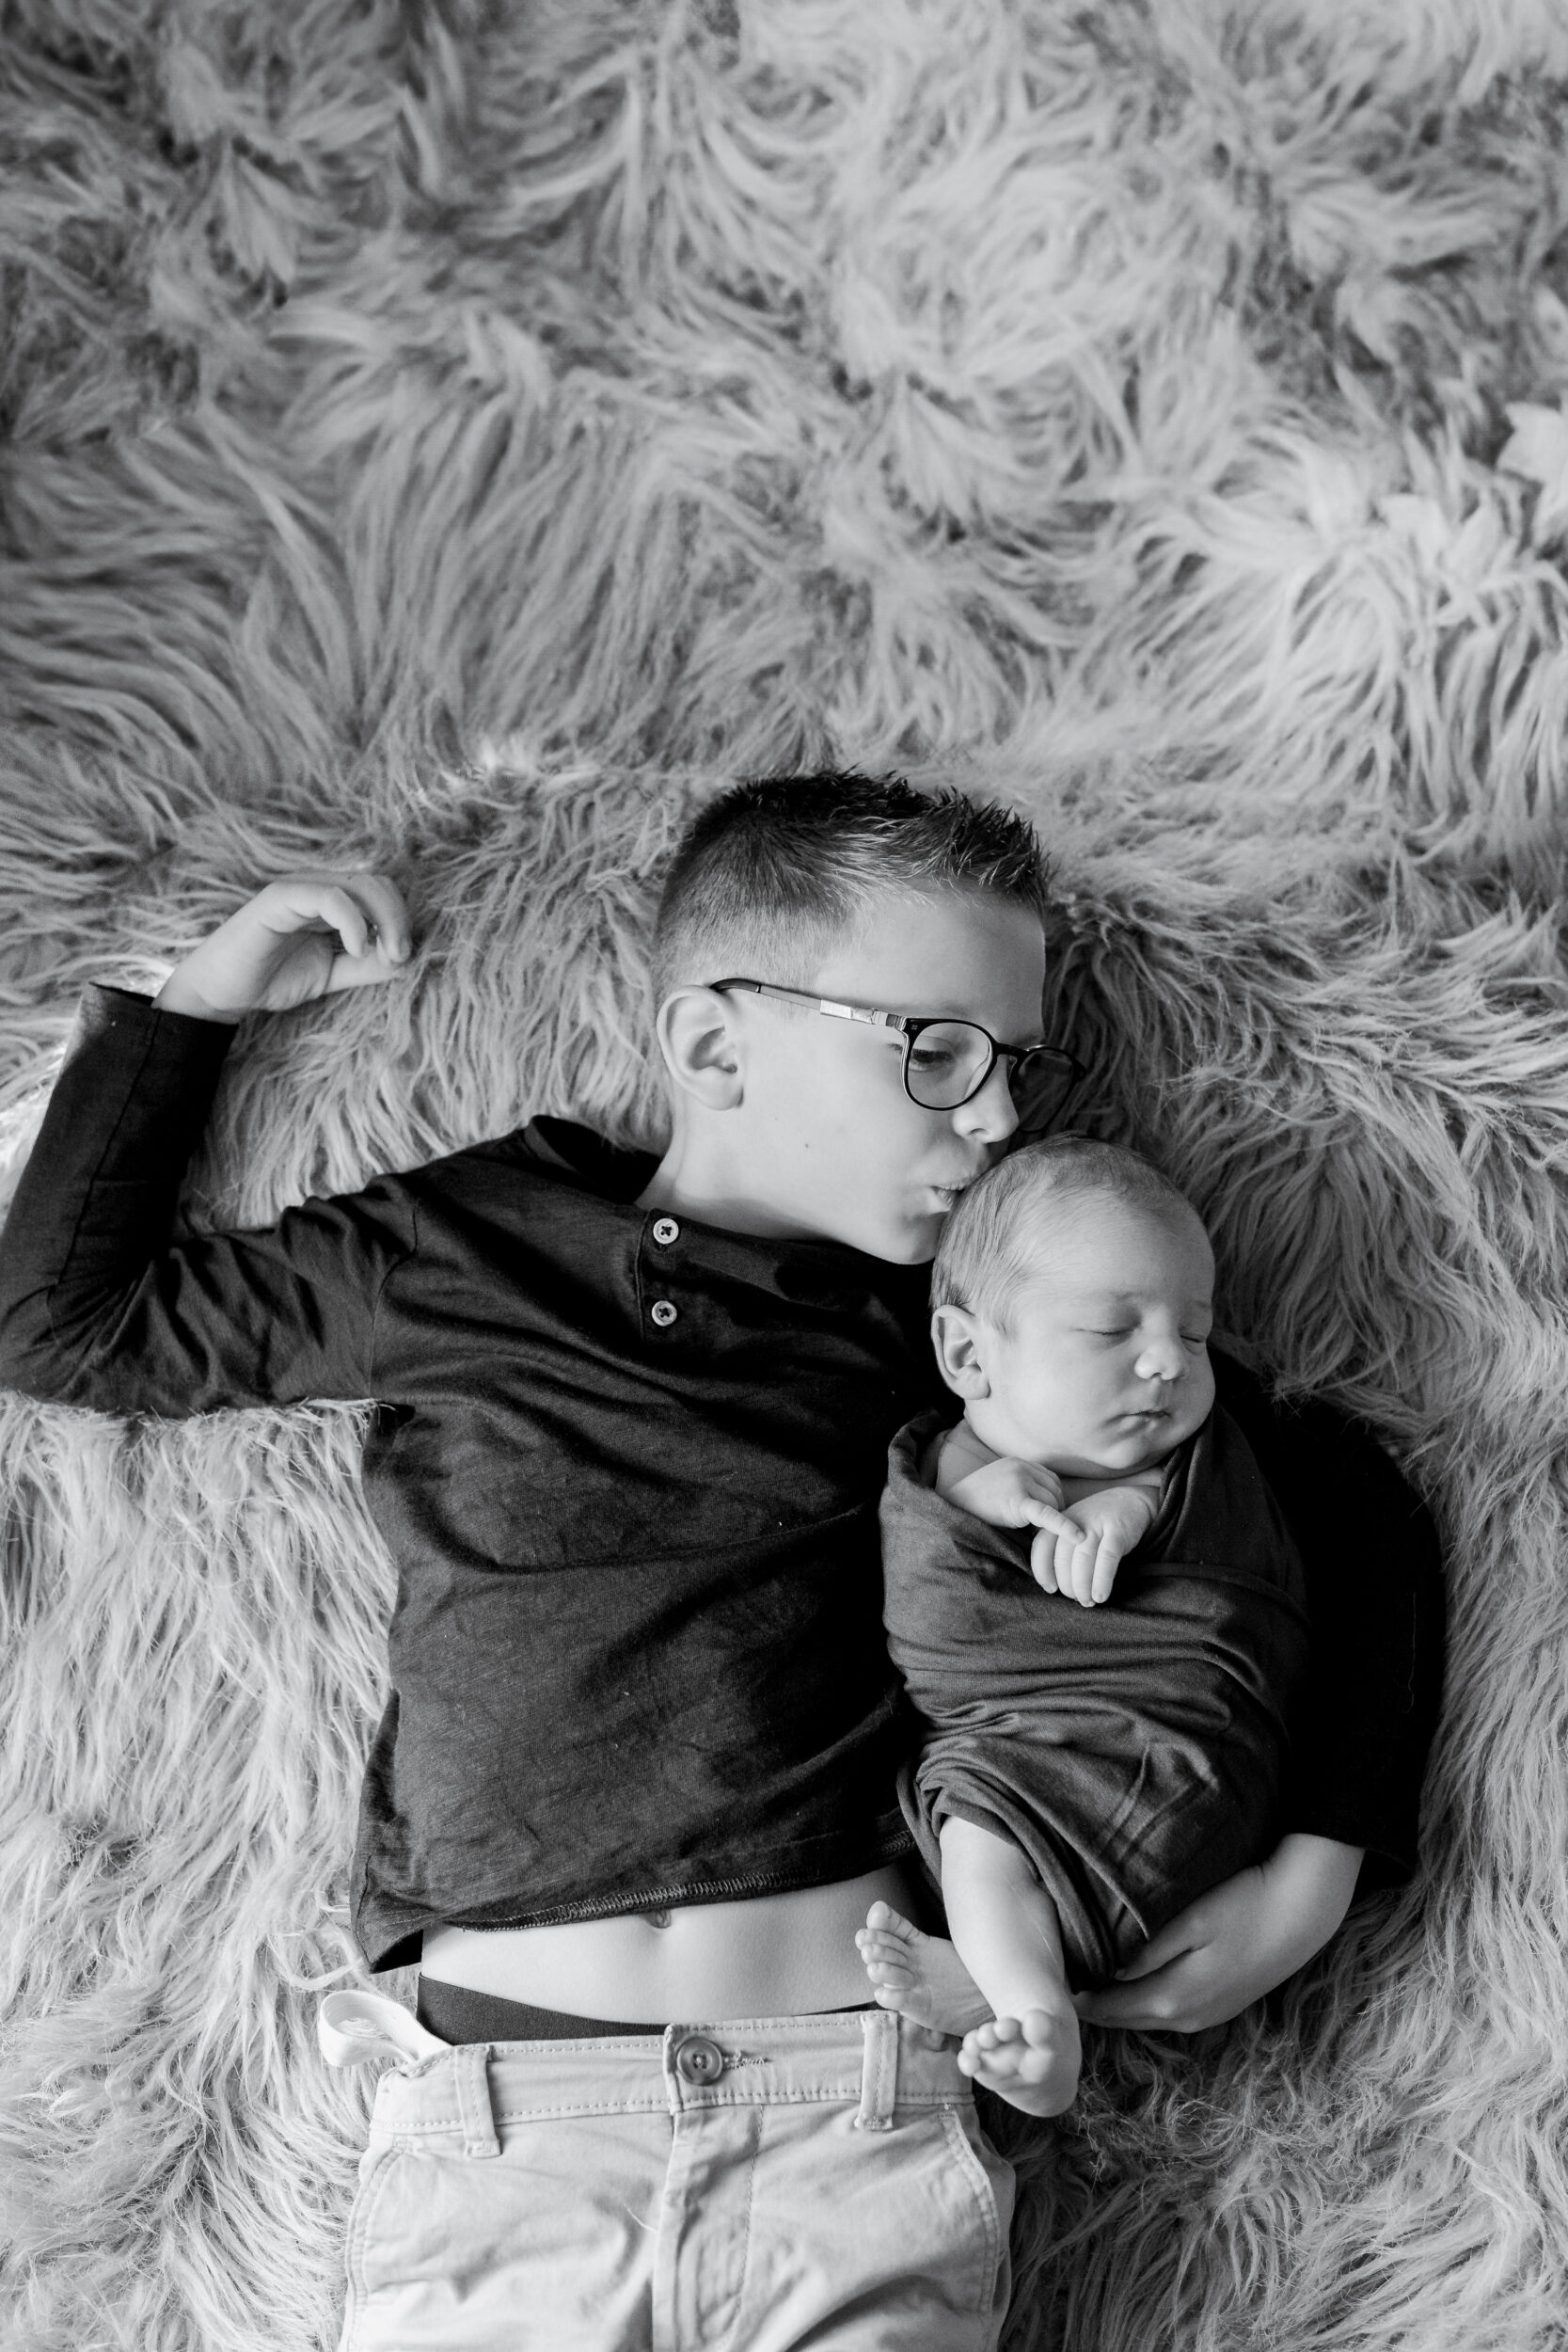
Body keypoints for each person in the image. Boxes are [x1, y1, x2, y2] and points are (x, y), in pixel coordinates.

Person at [0, 774, 1442, 2350]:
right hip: (501, 2135)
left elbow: (1340, 1490)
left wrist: (1312, 1873)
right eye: (937, 1051)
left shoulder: (963, 1336)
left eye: (1016, 1063)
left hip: (853, 2117)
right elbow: (69, 1324)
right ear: (712, 1044)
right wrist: (194, 1008)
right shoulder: (472, 1249)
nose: (998, 1116)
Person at [857, 1137, 1311, 2117]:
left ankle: (1005, 1980)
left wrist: (1132, 1507)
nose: (1165, 1362)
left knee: (983, 1836)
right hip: (1016, 1750)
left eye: (1192, 1334)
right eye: (1112, 1330)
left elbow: (1227, 1535)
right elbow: (926, 1565)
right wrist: (973, 1488)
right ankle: (1035, 2009)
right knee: (977, 1828)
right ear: (968, 1355)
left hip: (1186, 1750)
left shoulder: (1181, 1461)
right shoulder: (942, 1463)